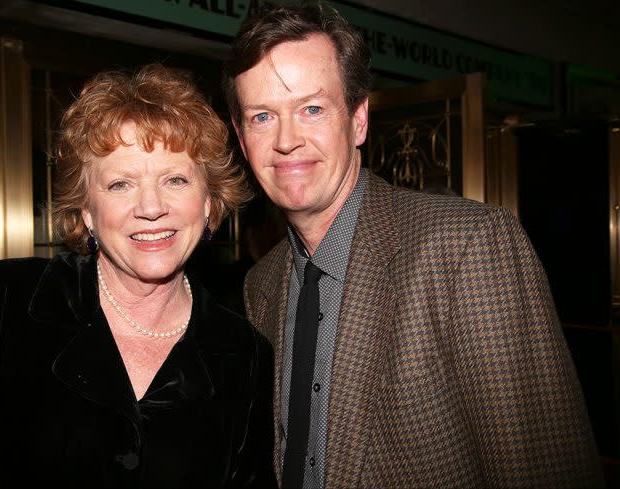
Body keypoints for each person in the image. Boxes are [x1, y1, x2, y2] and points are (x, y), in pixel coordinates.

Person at [223, 3, 604, 489]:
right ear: (241, 135)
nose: (286, 140)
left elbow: (548, 471)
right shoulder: (263, 283)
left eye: (312, 109)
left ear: (358, 120)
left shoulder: (466, 248)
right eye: (262, 117)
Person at [0, 64, 276, 488]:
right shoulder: (1, 303)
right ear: (86, 210)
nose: (151, 207)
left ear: (209, 202)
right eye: (121, 184)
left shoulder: (242, 354)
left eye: (175, 179)